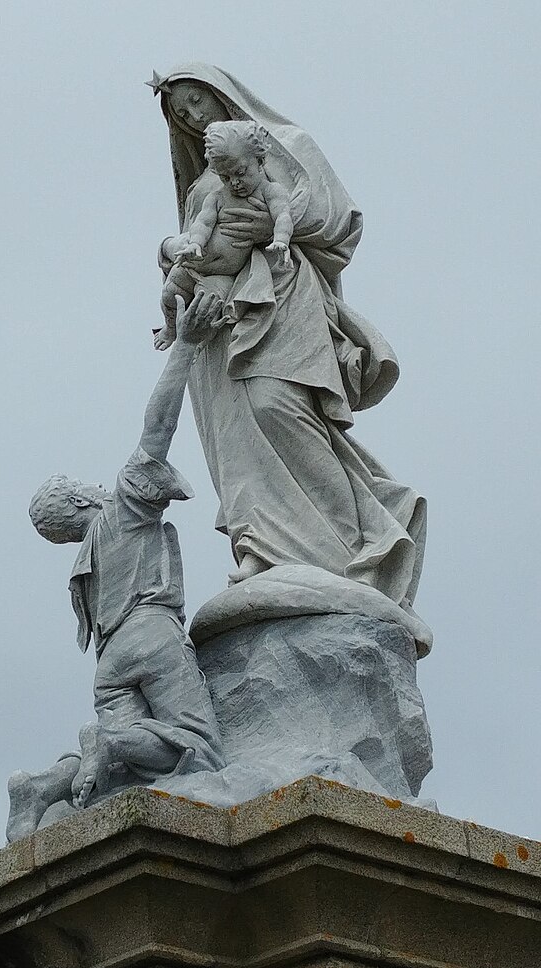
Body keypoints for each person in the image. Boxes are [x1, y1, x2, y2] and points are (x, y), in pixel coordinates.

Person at [149, 64, 427, 595]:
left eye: (194, 100)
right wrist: (166, 252)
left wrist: (277, 226)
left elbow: (341, 219)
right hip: (216, 316)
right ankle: (262, 549)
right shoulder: (202, 181)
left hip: (281, 292)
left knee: (278, 406)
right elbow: (189, 249)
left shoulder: (286, 145)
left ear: (218, 92)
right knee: (237, 437)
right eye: (179, 112)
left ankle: (365, 539)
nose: (190, 115)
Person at [6, 292, 226, 842]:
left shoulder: (86, 565)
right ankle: (105, 745)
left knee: (127, 771)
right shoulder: (119, 512)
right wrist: (188, 346)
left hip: (109, 666)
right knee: (199, 748)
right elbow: (157, 428)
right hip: (151, 635)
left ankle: (41, 787)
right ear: (81, 500)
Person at [155, 120, 293, 351]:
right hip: (195, 263)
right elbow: (203, 222)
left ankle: (196, 345)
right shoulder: (218, 197)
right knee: (170, 295)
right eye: (225, 178)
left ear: (260, 161)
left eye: (240, 173)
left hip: (222, 276)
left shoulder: (272, 191)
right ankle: (170, 328)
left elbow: (283, 216)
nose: (234, 183)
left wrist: (280, 240)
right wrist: (195, 244)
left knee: (206, 309)